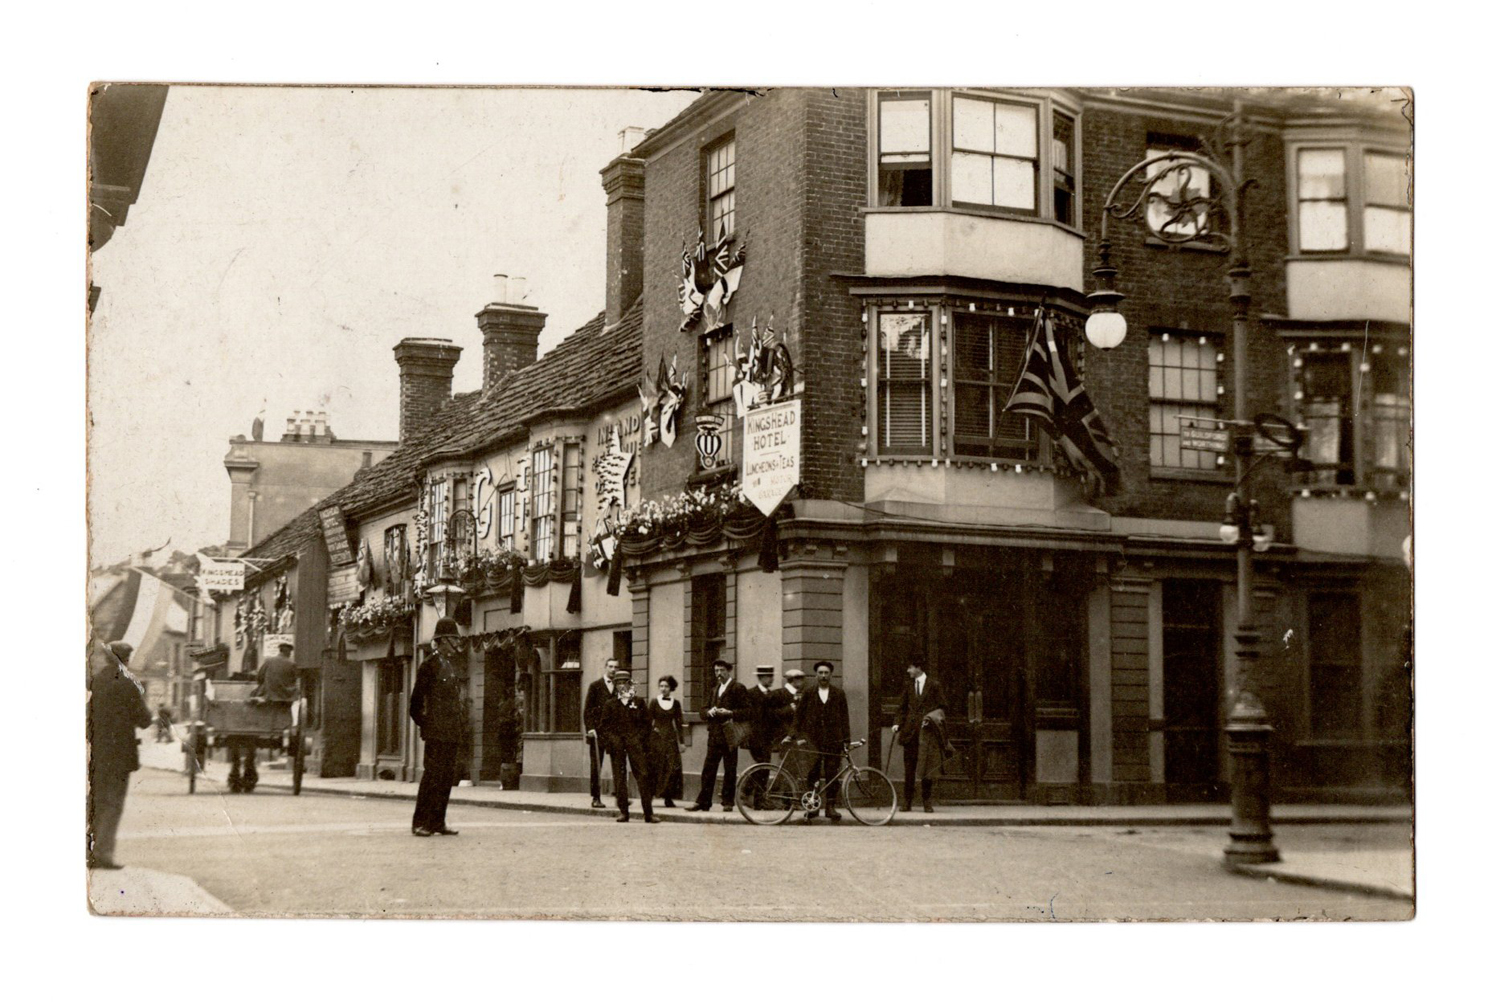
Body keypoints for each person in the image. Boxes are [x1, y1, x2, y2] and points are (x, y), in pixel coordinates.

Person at [88, 641, 152, 870]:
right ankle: (102, 854)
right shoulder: (128, 685)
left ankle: (87, 850)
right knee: (112, 803)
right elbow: (144, 720)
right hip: (119, 753)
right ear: (126, 659)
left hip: (93, 751)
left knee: (92, 800)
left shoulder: (92, 682)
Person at [409, 617, 466, 837]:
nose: (456, 643)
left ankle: (437, 822)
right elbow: (415, 704)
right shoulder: (429, 665)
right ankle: (420, 823)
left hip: (451, 733)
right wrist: (428, 724)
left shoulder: (450, 665)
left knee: (445, 779)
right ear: (442, 640)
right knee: (432, 778)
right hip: (436, 734)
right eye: (453, 639)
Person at [687, 659, 749, 812]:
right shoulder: (715, 689)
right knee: (708, 769)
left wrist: (730, 713)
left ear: (729, 671)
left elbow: (748, 711)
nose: (719, 674)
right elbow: (703, 710)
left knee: (730, 769)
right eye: (716, 671)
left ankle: (728, 802)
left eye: (722, 670)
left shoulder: (738, 688)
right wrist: (708, 712)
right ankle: (704, 802)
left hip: (730, 735)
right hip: (714, 735)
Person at [891, 659, 952, 813]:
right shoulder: (908, 685)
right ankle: (907, 802)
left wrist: (930, 719)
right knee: (909, 769)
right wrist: (897, 723)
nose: (908, 671)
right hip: (909, 733)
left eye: (910, 667)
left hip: (927, 734)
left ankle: (926, 802)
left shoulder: (934, 685)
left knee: (927, 769)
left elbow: (942, 707)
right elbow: (902, 707)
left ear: (918, 667)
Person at [793, 660, 850, 822]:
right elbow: (799, 716)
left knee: (832, 773)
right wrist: (794, 734)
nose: (823, 676)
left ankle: (831, 807)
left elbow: (844, 718)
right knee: (813, 773)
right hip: (813, 740)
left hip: (834, 740)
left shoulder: (839, 694)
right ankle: (813, 807)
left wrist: (846, 740)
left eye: (826, 673)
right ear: (816, 675)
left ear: (831, 675)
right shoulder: (809, 693)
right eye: (820, 673)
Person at [597, 669, 656, 823]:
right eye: (619, 683)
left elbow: (646, 724)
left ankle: (648, 814)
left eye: (625, 682)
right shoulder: (610, 704)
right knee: (620, 778)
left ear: (630, 684)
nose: (622, 686)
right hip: (617, 746)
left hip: (635, 744)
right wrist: (613, 741)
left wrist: (638, 739)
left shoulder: (638, 702)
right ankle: (624, 812)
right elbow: (604, 728)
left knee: (643, 775)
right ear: (615, 686)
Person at [582, 658, 620, 809]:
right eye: (610, 667)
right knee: (596, 765)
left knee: (619, 765)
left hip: (615, 733)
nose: (613, 670)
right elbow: (587, 710)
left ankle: (620, 797)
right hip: (598, 733)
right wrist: (590, 729)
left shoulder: (620, 687)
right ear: (605, 668)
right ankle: (596, 797)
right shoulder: (595, 686)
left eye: (616, 667)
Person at [646, 675, 685, 807]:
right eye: (661, 686)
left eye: (666, 686)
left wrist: (682, 742)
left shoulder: (676, 703)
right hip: (656, 739)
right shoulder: (654, 702)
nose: (663, 689)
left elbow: (679, 724)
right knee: (655, 767)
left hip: (670, 739)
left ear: (671, 688)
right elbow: (647, 722)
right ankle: (650, 796)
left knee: (671, 768)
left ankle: (668, 798)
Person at [746, 665, 779, 765]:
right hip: (755, 737)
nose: (772, 679)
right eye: (768, 676)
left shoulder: (773, 694)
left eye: (772, 676)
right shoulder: (750, 694)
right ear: (760, 678)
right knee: (761, 766)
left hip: (768, 738)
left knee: (765, 767)